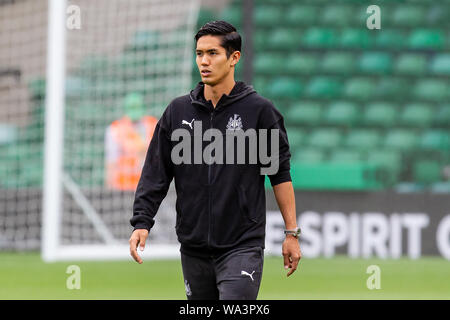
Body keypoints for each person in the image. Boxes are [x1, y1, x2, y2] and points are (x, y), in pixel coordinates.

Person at [129, 20, 301, 300]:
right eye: (199, 54)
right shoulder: (177, 111)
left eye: (212, 53)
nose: (204, 61)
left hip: (242, 245)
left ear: (234, 58)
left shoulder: (260, 112)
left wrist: (292, 233)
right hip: (193, 246)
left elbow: (279, 175)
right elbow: (156, 173)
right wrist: (141, 222)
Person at [105, 92, 158, 191]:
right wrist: (110, 187)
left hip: (147, 186)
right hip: (122, 186)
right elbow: (111, 162)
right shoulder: (115, 129)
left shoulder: (152, 125)